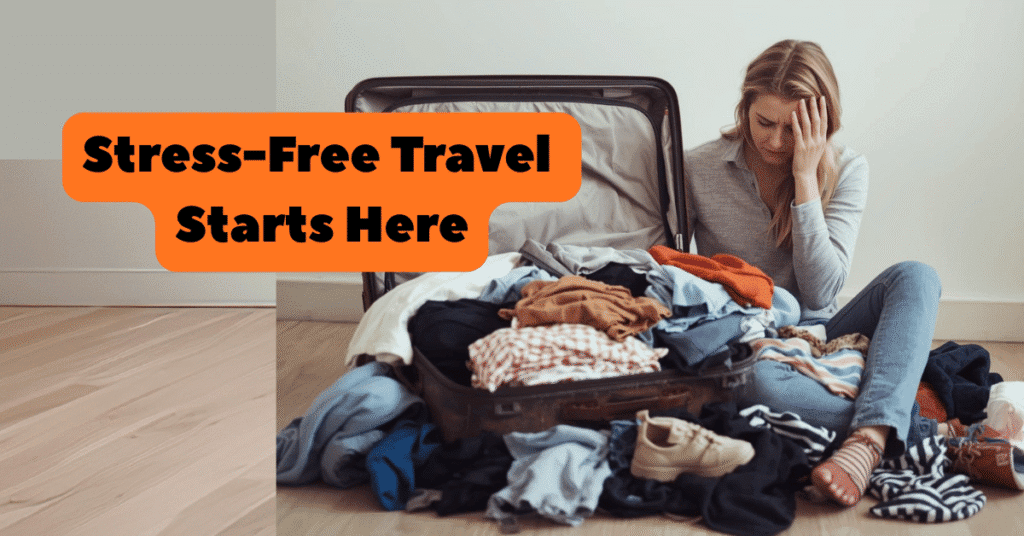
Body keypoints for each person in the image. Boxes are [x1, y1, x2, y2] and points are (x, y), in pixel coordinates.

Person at [683, 39, 945, 506]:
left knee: (917, 276)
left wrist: (806, 178)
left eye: (793, 128)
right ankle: (913, 428)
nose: (776, 141)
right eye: (764, 122)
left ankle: (865, 442)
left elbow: (822, 289)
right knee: (755, 385)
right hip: (749, 337)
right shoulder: (697, 168)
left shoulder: (846, 169)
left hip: (821, 327)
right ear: (745, 108)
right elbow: (675, 270)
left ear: (821, 122)